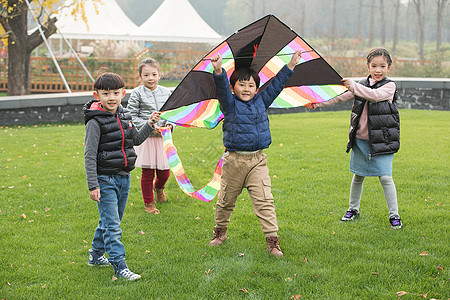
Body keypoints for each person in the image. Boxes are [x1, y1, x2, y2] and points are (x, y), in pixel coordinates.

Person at [208, 50, 302, 257]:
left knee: (265, 201)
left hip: (257, 161)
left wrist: (291, 65)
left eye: (251, 85)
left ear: (257, 89)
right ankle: (220, 232)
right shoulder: (229, 105)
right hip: (234, 162)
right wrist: (218, 70)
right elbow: (222, 89)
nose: (246, 88)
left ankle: (272, 241)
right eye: (241, 84)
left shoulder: (262, 101)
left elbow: (276, 85)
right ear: (234, 87)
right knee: (225, 201)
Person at [306, 48, 402, 229]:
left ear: (389, 67)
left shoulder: (389, 86)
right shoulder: (361, 84)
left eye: (382, 66)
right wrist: (318, 104)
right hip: (360, 139)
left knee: (385, 178)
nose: (378, 70)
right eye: (374, 66)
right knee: (358, 176)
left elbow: (373, 96)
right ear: (368, 66)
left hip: (382, 140)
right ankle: (353, 210)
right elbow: (340, 97)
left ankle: (394, 215)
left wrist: (354, 86)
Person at [83, 72, 161, 280]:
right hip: (104, 179)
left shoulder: (124, 115)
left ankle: (96, 254)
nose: (111, 98)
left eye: (116, 93)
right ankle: (119, 265)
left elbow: (135, 139)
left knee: (110, 220)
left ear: (123, 93)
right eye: (106, 93)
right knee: (113, 226)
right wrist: (93, 185)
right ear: (97, 94)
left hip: (123, 177)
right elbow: (89, 154)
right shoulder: (95, 121)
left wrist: (149, 124)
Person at [127, 58, 173, 215]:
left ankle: (159, 188)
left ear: (160, 75)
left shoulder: (167, 93)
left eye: (154, 74)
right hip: (145, 139)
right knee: (148, 173)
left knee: (164, 171)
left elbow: (173, 114)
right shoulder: (137, 93)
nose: (150, 78)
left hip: (163, 139)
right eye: (146, 75)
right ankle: (149, 203)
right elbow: (131, 115)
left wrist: (170, 126)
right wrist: (148, 125)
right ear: (140, 77)